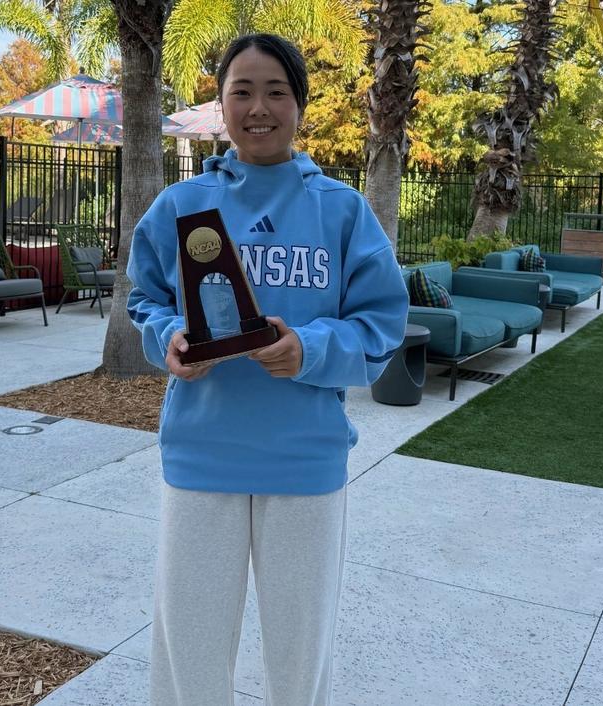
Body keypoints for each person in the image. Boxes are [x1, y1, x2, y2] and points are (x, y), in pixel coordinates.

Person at [125, 33, 409, 706]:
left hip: (304, 464)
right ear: (221, 104)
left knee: (299, 656)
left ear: (300, 106)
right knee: (188, 655)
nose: (259, 107)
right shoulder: (181, 206)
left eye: (276, 92)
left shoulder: (340, 209)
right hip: (202, 456)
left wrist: (307, 350)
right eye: (241, 91)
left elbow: (380, 326)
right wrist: (167, 340)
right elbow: (146, 300)